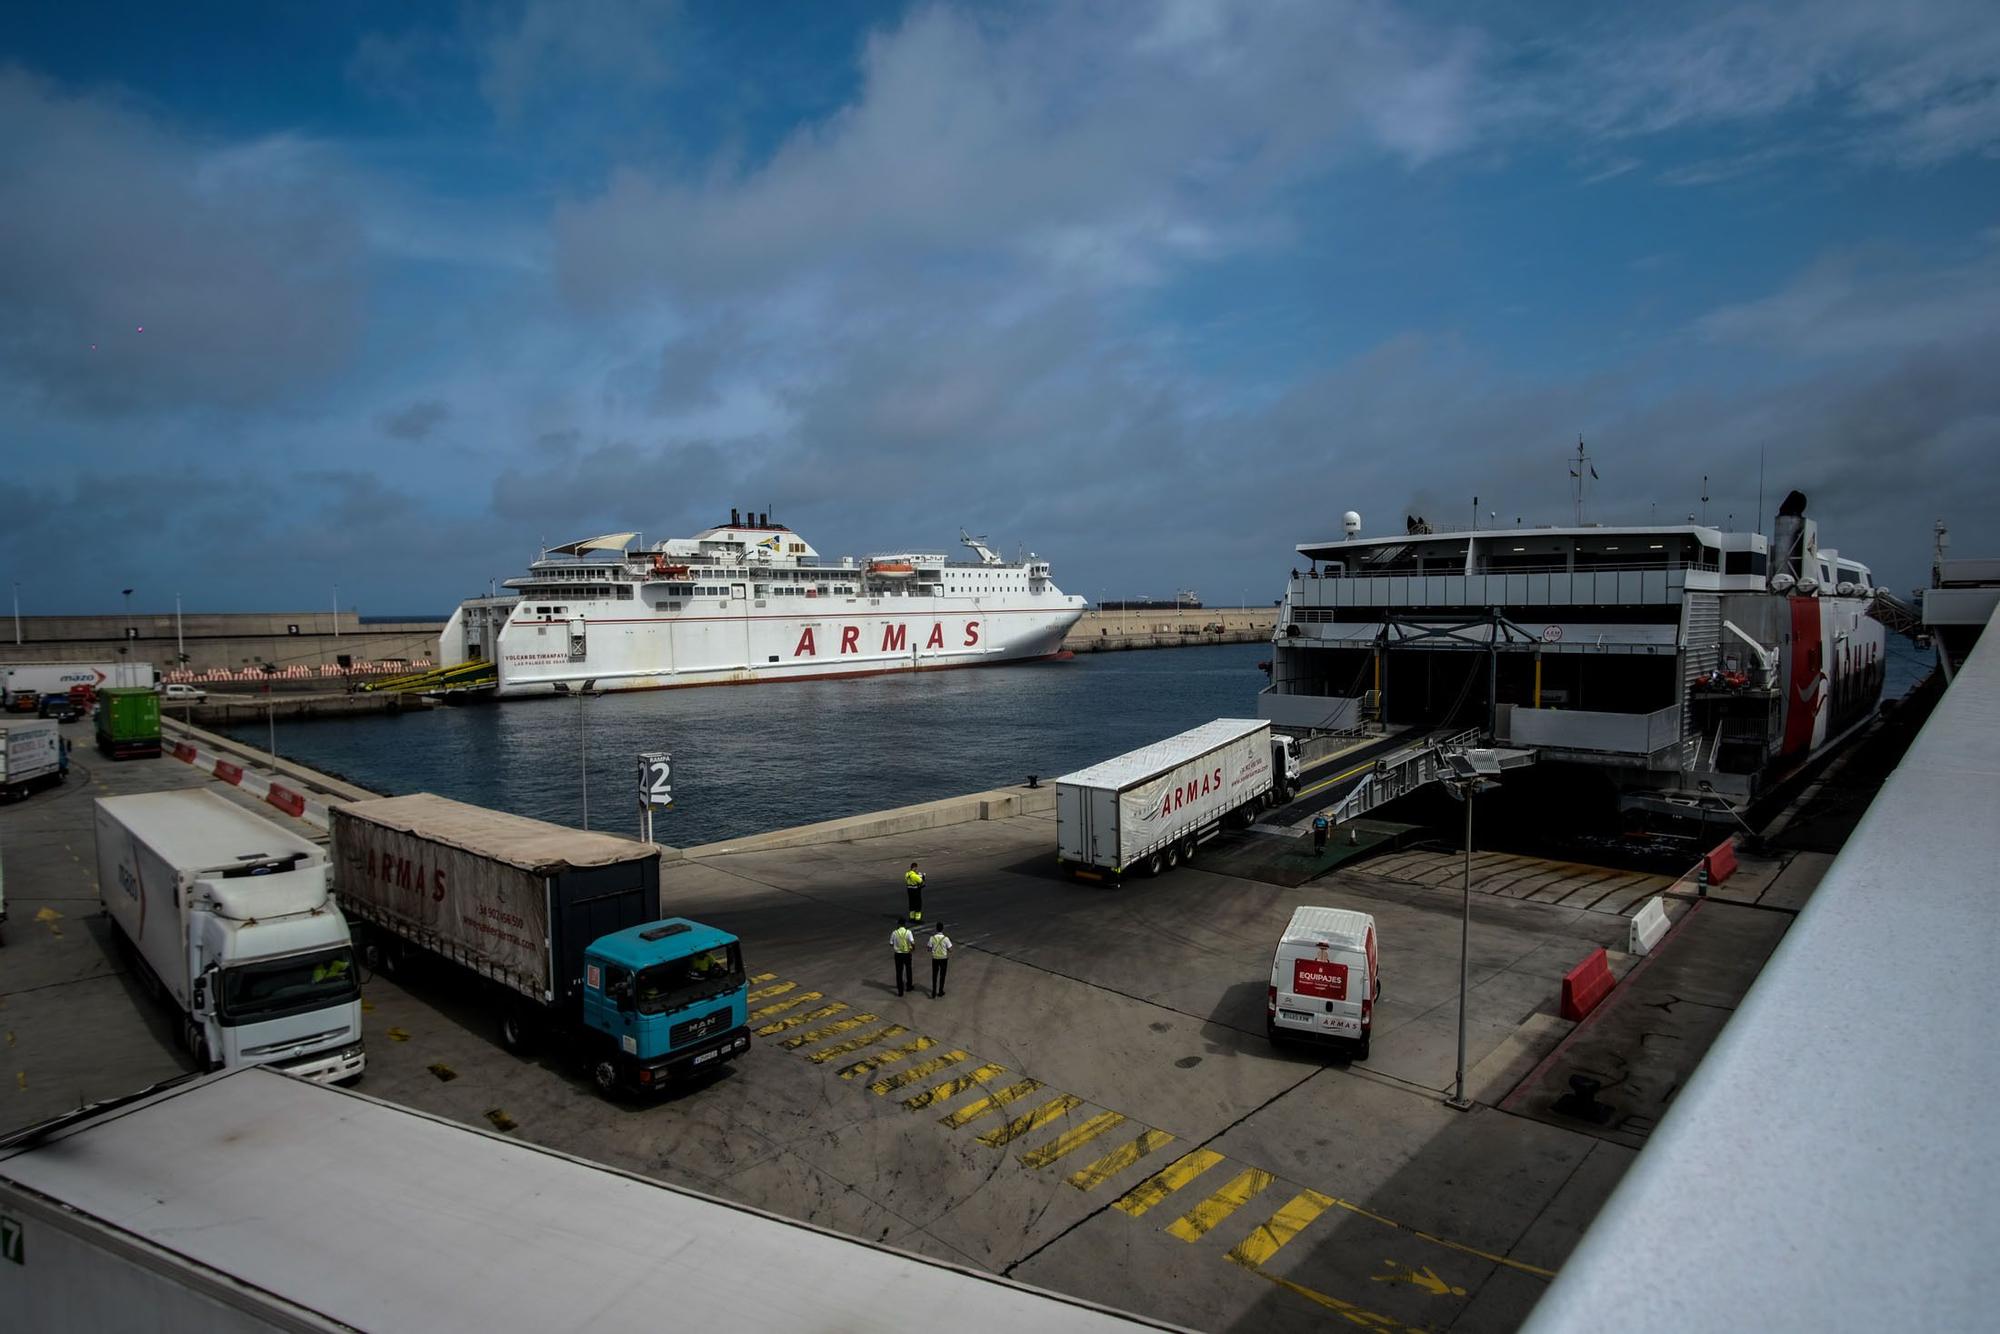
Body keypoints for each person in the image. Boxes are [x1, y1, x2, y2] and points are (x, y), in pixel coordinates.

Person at [890, 918, 916, 996]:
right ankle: (909, 986)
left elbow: (891, 944)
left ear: (898, 924)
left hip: (898, 955)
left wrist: (896, 945)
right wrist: (912, 949)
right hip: (907, 954)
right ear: (905, 924)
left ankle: (900, 991)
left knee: (899, 972)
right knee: (908, 970)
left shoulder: (894, 933)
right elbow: (912, 942)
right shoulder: (908, 932)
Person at [929, 923, 953, 999]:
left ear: (936, 929)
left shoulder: (932, 938)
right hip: (943, 959)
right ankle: (940, 991)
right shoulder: (946, 938)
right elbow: (950, 950)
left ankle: (933, 992)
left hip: (935, 958)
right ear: (943, 929)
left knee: (934, 975)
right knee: (942, 976)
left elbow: (929, 949)